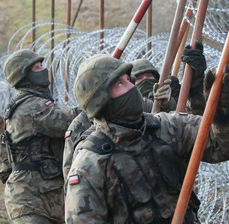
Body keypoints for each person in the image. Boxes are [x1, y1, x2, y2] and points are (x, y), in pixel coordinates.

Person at [64, 53, 229, 223]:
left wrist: (222, 108)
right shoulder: (89, 166)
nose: (132, 87)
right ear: (100, 101)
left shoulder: (167, 127)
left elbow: (227, 144)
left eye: (129, 80)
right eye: (120, 84)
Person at [61, 43, 208, 180]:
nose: (145, 81)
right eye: (139, 78)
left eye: (150, 77)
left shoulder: (161, 117)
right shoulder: (84, 127)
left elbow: (198, 130)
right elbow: (72, 174)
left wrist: (192, 92)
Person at [0, 49, 79, 223]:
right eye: (36, 67)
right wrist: (96, 98)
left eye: (42, 65)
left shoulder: (25, 104)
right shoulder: (34, 107)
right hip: (32, 201)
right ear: (23, 76)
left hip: (46, 199)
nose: (43, 69)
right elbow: (73, 120)